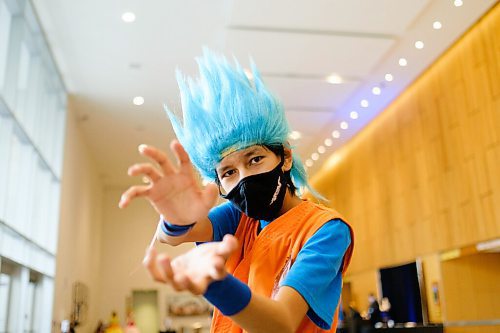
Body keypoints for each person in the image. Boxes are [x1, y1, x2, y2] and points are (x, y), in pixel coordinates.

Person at [119, 49, 354, 333]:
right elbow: (169, 237)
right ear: (218, 183)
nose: (244, 178)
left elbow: (281, 323)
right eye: (228, 172)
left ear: (286, 157)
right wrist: (176, 217)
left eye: (255, 159)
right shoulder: (237, 217)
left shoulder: (326, 230)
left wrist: (216, 285)